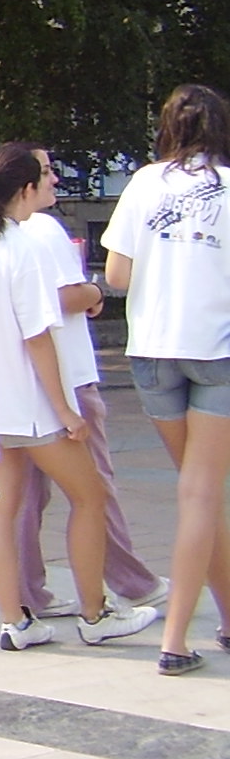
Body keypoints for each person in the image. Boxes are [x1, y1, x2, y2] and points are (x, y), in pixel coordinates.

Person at [0, 148, 158, 652]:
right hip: (31, 408)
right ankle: (95, 614)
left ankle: (15, 622)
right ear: (26, 188)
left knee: (0, 509)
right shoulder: (21, 247)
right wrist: (65, 409)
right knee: (89, 497)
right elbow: (37, 338)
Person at [101, 82, 230, 676]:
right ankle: (175, 641)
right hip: (216, 350)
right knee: (201, 496)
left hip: (152, 351)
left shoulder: (144, 182)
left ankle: (226, 617)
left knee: (199, 493)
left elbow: (117, 274)